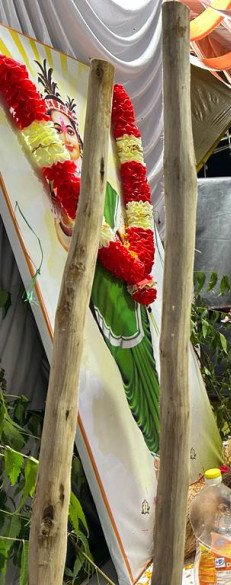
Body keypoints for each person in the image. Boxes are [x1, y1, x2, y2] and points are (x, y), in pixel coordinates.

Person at [35, 59, 161, 453]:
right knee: (121, 371)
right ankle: (142, 448)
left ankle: (159, 443)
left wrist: (129, 258)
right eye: (57, 131)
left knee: (146, 364)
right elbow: (62, 239)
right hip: (99, 287)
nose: (67, 137)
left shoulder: (107, 187)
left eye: (70, 130)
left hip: (130, 285)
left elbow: (127, 226)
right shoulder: (60, 190)